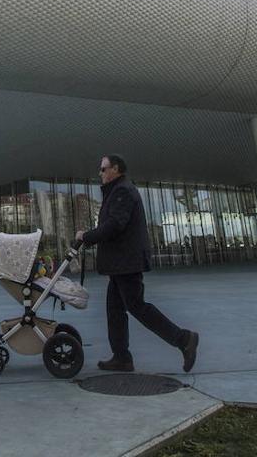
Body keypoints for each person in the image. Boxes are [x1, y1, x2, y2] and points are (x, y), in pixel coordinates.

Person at [76, 154, 199, 373]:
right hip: (120, 262)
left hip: (127, 262)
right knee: (115, 310)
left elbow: (115, 224)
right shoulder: (116, 191)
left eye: (103, 169)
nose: (100, 173)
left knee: (136, 306)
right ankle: (122, 358)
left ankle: (184, 339)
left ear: (116, 169)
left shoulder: (123, 191)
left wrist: (87, 236)